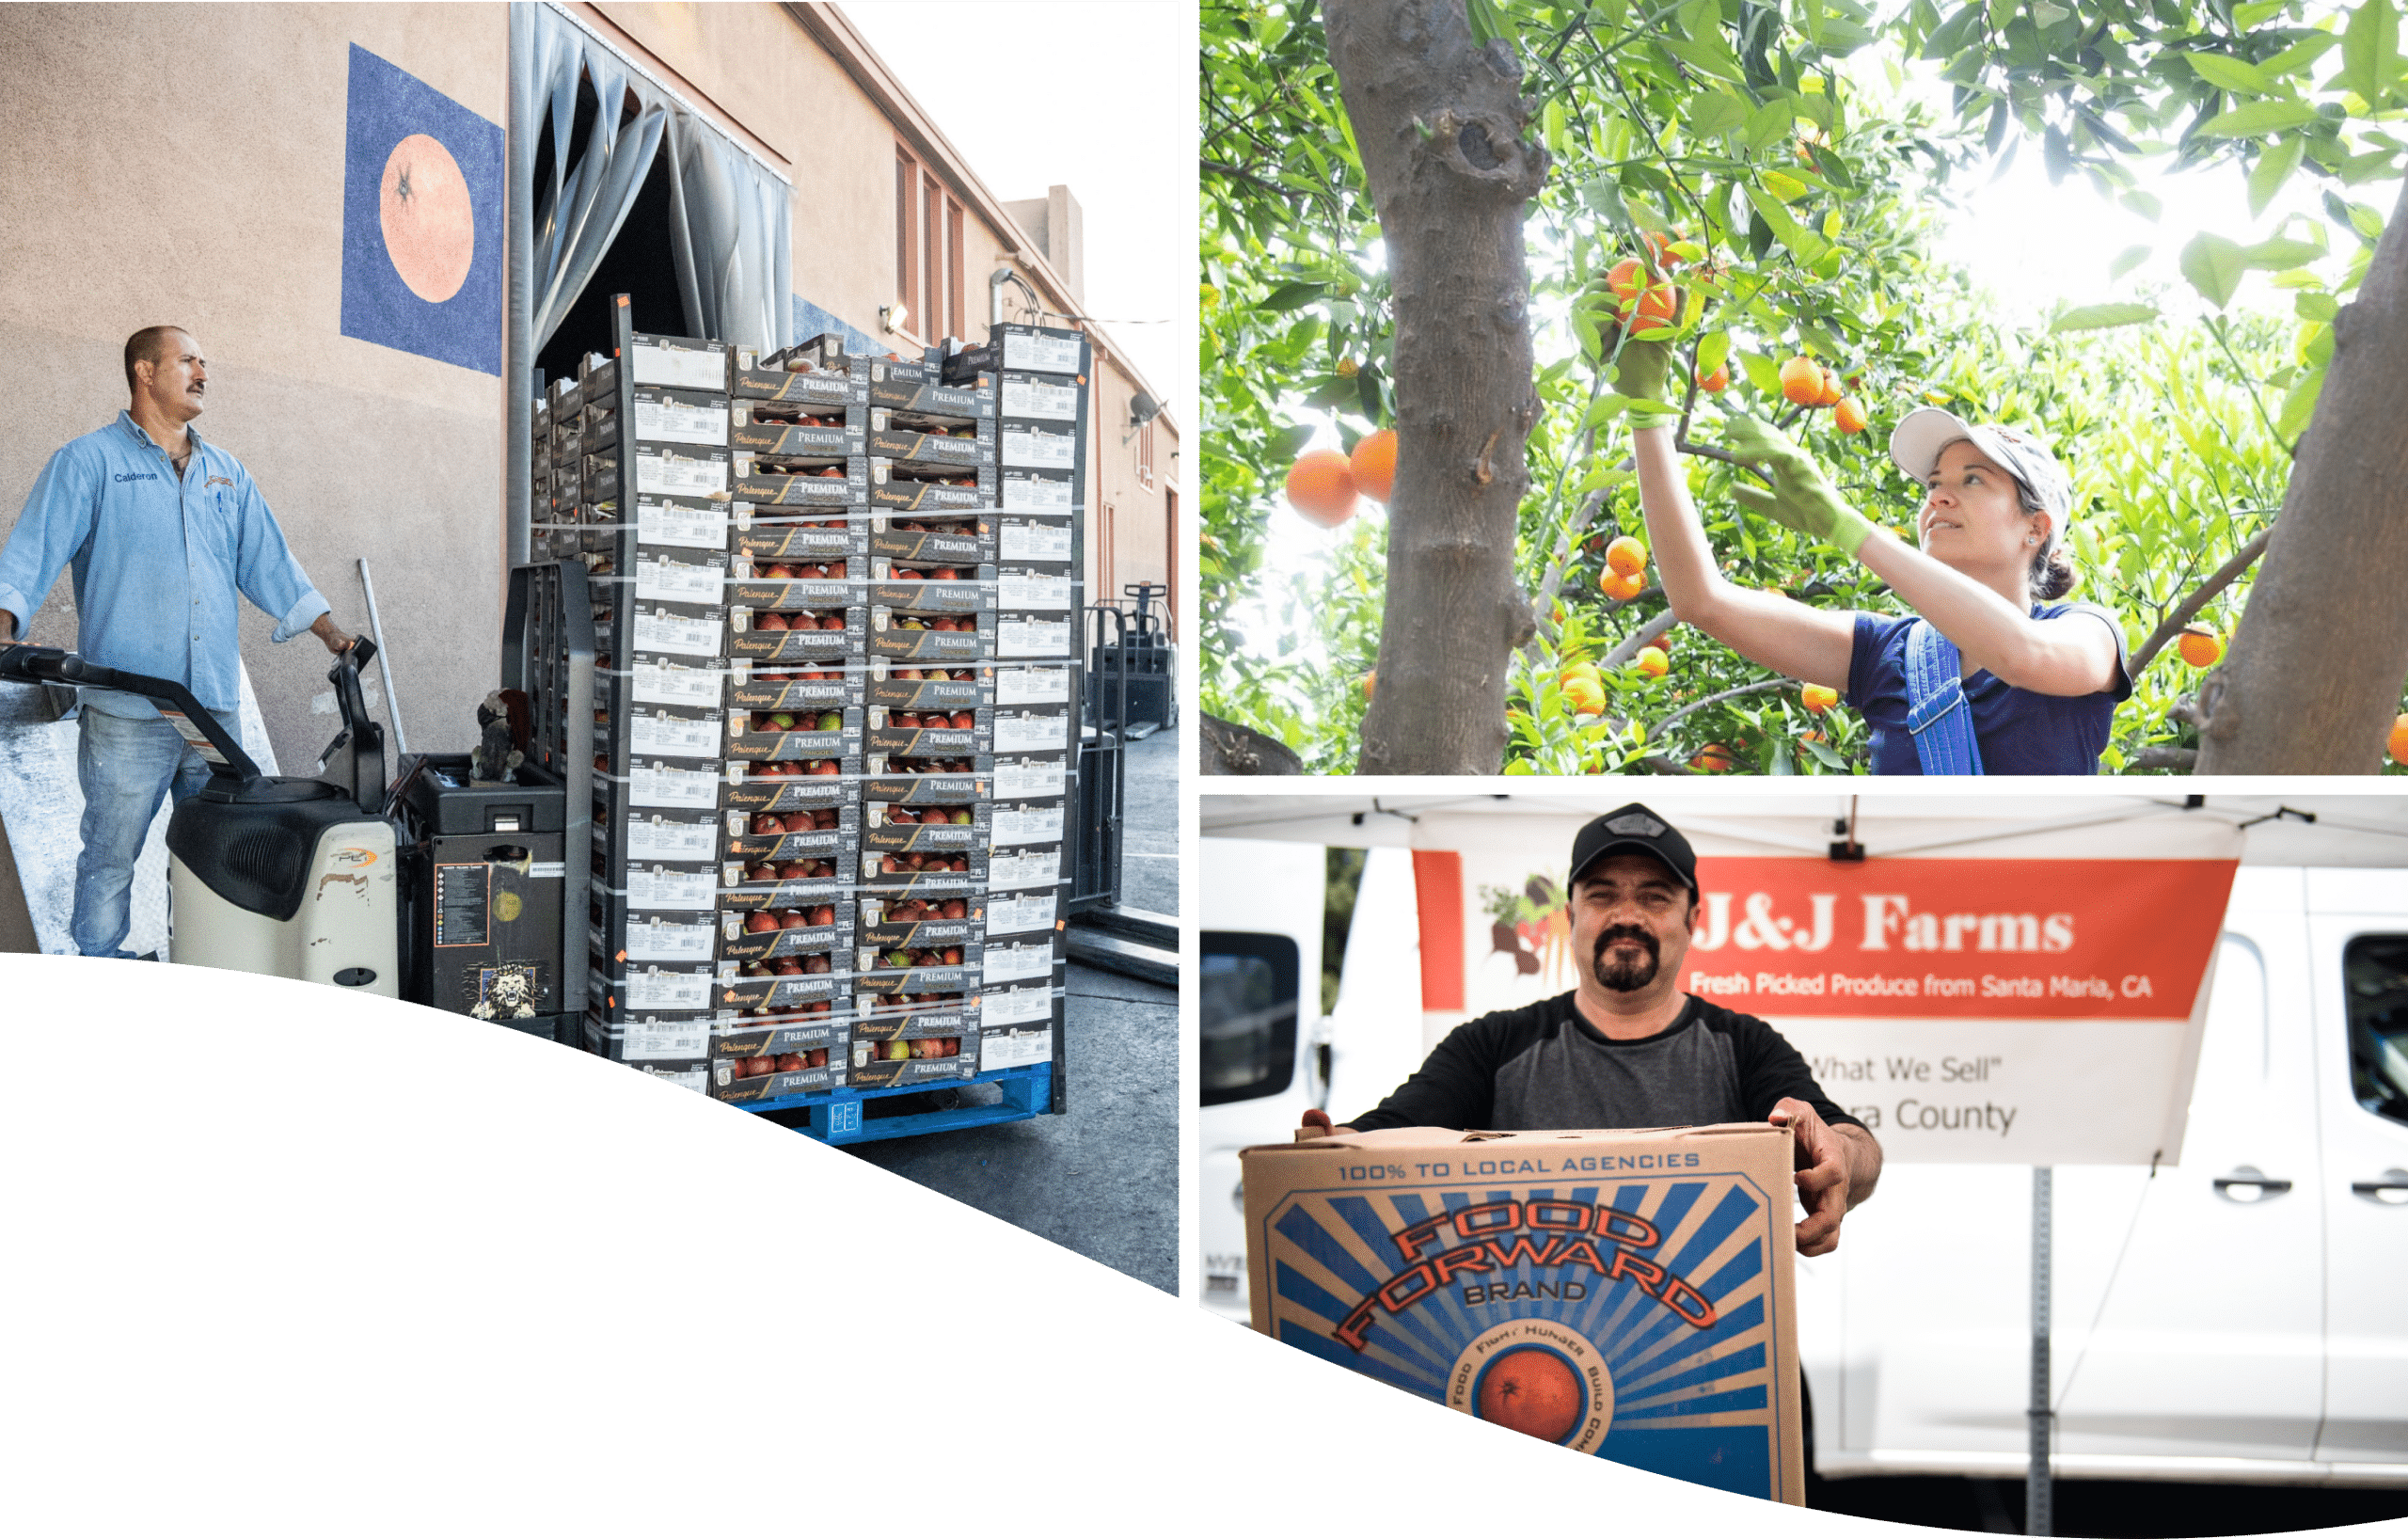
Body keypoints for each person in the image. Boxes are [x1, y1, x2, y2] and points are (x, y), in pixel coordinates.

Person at [1311, 802, 1882, 1257]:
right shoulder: (1492, 1046)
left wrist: (1841, 1157)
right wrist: (1329, 1149)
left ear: (1692, 921)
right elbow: (1389, 1133)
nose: (1626, 914)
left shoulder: (1744, 1046)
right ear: (1570, 916)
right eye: (1602, 895)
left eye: (1655, 897)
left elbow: (1848, 1143)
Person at [1609, 316, 2130, 774]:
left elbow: (2023, 655)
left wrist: (1849, 529)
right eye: (1932, 484)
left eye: (1972, 481)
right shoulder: (1891, 654)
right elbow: (1702, 602)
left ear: (2035, 528)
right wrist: (1646, 414)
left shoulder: (2087, 633)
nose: (1940, 497)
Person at [0, 325, 352, 959]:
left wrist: (329, 632)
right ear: (143, 371)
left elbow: (270, 560)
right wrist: (3, 622)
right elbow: (33, 549)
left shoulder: (226, 474)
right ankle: (98, 971)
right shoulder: (90, 462)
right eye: (188, 360)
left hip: (209, 711)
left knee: (221, 850)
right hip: (130, 714)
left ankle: (213, 962)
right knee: (111, 854)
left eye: (205, 362)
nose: (203, 372)